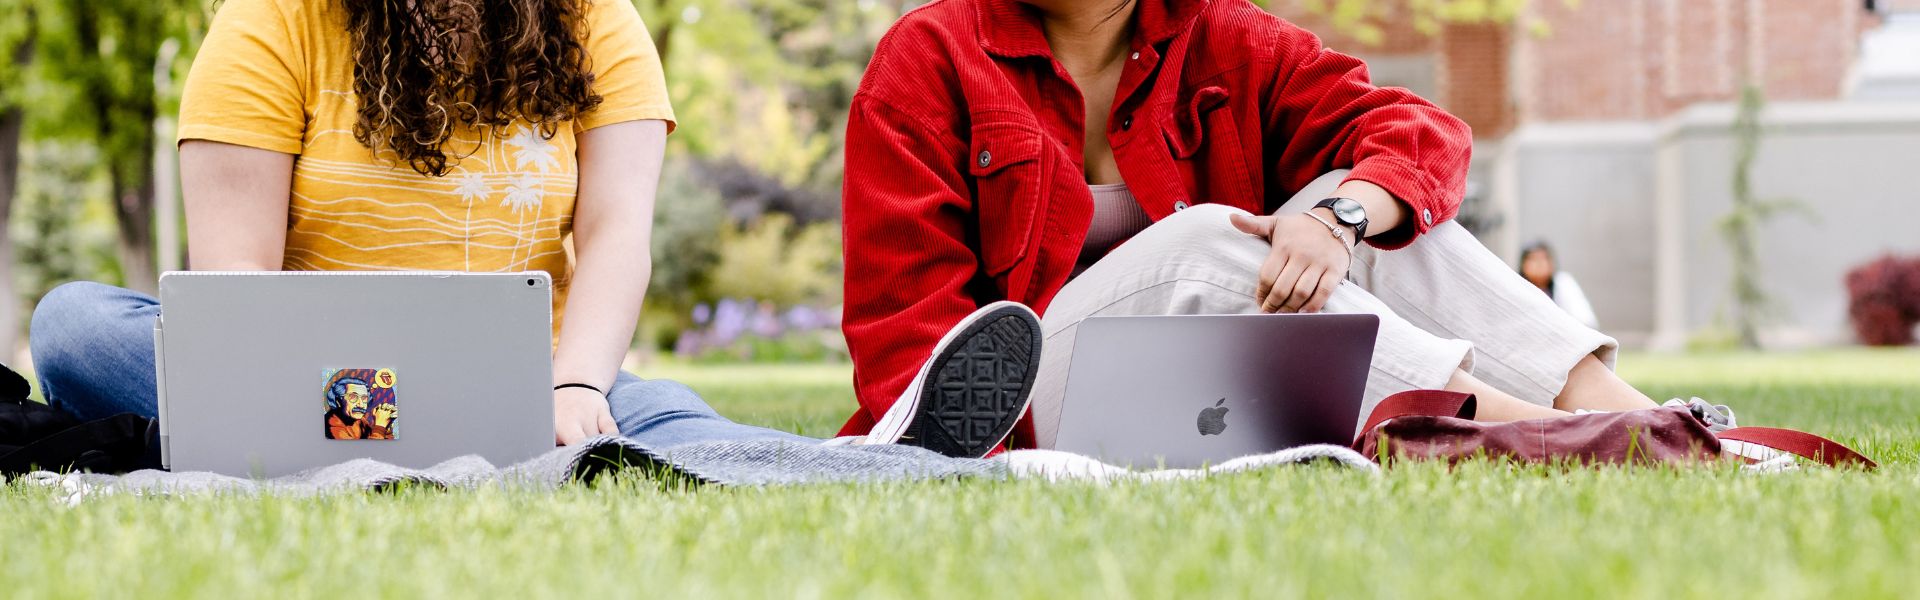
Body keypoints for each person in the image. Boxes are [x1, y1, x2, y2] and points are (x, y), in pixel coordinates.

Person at [27, 0, 1041, 459]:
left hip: (533, 382)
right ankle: (366, 443)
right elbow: (236, 281)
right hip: (322, 390)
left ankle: (888, 457)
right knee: (76, 324)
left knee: (672, 418)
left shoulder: (601, 24)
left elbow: (614, 238)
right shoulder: (268, 22)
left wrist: (575, 384)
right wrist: (321, 407)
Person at [837, 0, 1726, 448]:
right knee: (1216, 243)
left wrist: (1343, 216)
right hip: (1008, 411)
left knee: (1384, 215)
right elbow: (902, 341)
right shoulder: (930, 58)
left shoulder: (1224, 36)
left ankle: (1667, 432)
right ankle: (1559, 442)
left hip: (1195, 393)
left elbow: (1419, 137)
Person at [1518, 241, 1600, 330]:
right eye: (1533, 259)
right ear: (1523, 265)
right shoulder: (1517, 287)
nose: (1539, 263)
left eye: (1544, 258)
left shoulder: (1563, 283)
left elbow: (1586, 319)